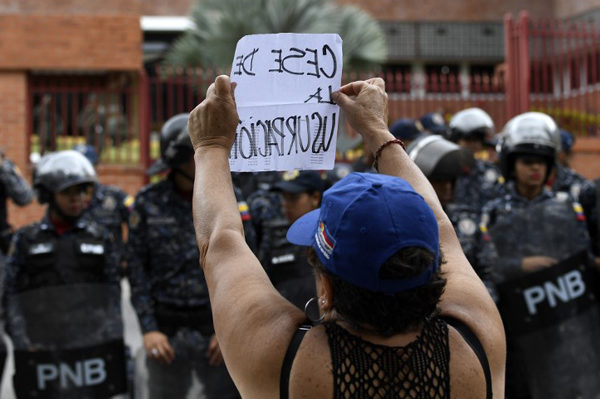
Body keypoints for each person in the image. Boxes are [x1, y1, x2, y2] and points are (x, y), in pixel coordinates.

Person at [186, 75, 505, 398]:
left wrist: (210, 146)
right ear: (434, 271)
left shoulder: (283, 359)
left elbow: (219, 240)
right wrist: (377, 130)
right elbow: (442, 227)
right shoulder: (478, 337)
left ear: (325, 290)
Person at [126, 113, 252, 399]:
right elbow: (137, 270)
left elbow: (247, 266)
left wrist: (231, 330)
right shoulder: (148, 203)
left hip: (216, 328)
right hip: (166, 330)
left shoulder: (230, 199)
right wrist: (149, 330)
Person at [478, 112, 600, 399]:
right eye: (527, 162)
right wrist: (520, 265)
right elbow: (485, 264)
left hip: (560, 310)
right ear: (511, 163)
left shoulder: (567, 206)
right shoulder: (494, 209)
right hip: (515, 316)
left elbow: (581, 253)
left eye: (542, 163)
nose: (535, 169)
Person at [4, 150, 127, 397]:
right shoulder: (26, 239)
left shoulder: (100, 237)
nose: (77, 199)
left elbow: (112, 295)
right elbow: (11, 295)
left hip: (90, 347)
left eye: (82, 192)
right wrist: (23, 342)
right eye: (68, 192)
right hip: (42, 348)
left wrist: (110, 340)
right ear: (49, 194)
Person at [406, 135, 487, 280]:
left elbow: (487, 268)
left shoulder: (467, 218)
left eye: (451, 180)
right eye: (439, 180)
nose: (447, 187)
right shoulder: (406, 224)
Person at [261, 170, 326, 310]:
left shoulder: (331, 235)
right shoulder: (275, 235)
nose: (285, 204)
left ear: (315, 197)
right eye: (284, 198)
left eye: (293, 198)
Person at [73, 144, 133, 266]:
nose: (82, 172)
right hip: (77, 270)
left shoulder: (114, 196)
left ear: (95, 167)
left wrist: (128, 254)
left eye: (87, 166)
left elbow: (139, 223)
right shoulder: (65, 201)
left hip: (111, 269)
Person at [449, 107, 503, 210]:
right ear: (456, 140)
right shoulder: (448, 170)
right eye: (469, 140)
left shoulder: (489, 171)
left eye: (478, 141)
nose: (474, 145)